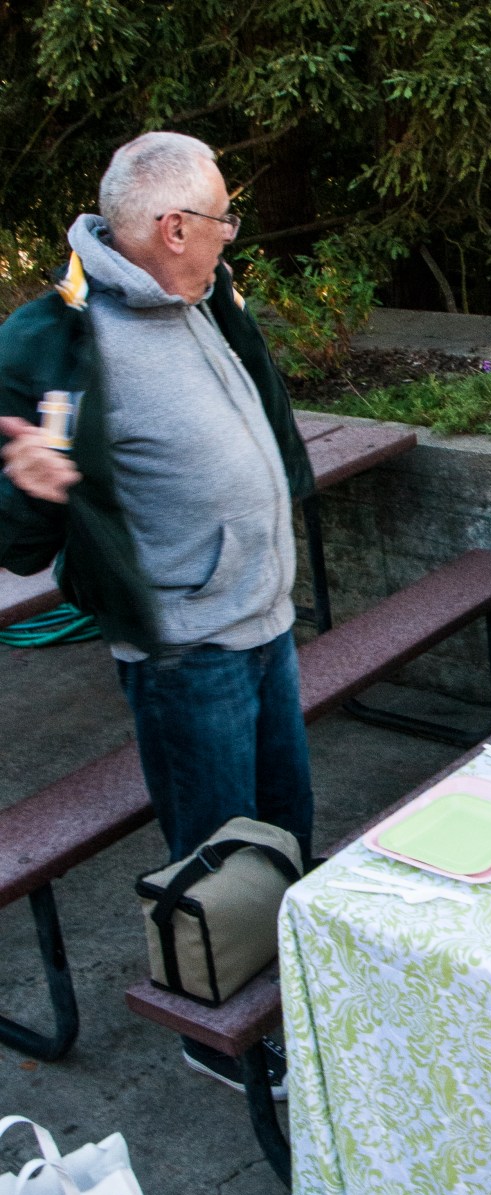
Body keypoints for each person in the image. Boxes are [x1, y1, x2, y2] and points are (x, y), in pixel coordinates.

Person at [0, 131, 315, 1100]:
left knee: (286, 838)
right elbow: (14, 535)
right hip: (188, 654)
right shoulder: (55, 341)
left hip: (262, 624)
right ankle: (216, 1034)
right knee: (218, 866)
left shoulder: (197, 293)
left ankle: (293, 1005)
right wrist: (37, 491)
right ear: (173, 227)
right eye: (222, 218)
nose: (231, 235)